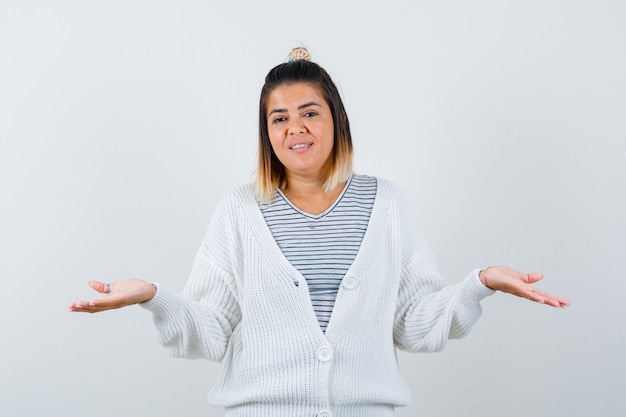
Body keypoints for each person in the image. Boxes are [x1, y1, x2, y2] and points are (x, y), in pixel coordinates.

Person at [69, 48, 569, 417]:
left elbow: (414, 322)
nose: (295, 129)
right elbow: (211, 329)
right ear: (267, 133)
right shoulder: (239, 211)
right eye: (279, 118)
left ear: (336, 119)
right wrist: (153, 297)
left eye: (310, 112)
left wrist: (479, 282)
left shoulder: (386, 203)